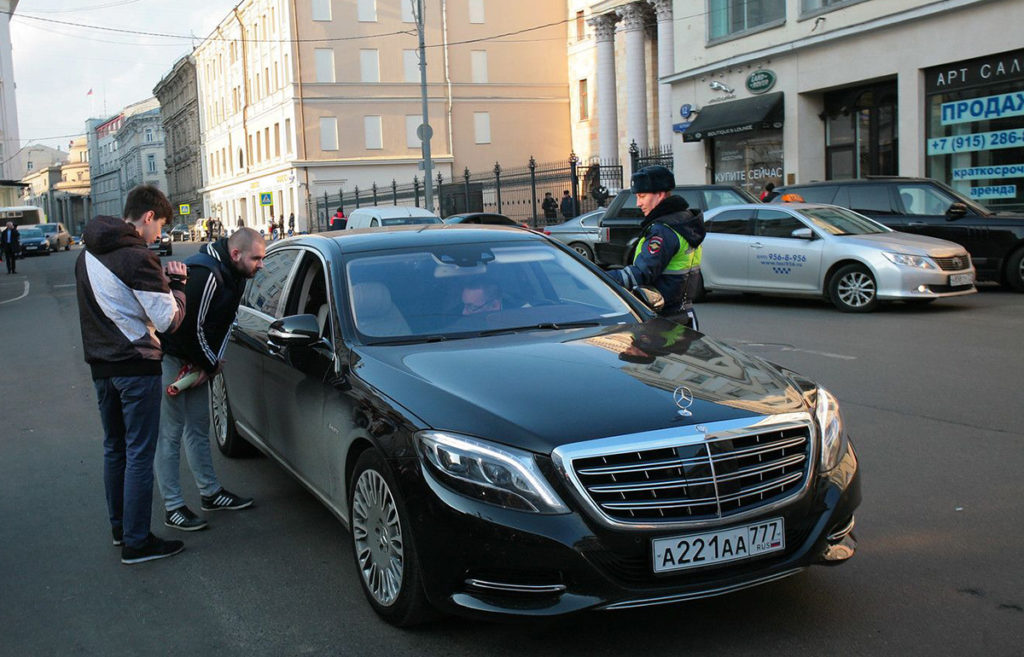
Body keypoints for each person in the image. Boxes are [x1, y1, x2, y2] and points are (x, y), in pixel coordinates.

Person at [75, 184, 189, 564]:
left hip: (101, 367)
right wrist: (178, 286)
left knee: (115, 448)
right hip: (136, 367)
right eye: (161, 226)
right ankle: (137, 542)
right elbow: (168, 320)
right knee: (140, 452)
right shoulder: (138, 257)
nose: (159, 235)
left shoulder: (86, 254)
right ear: (148, 217)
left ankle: (121, 529)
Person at [155, 227, 266, 531]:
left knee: (198, 427)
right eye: (256, 258)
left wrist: (210, 364)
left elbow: (227, 323)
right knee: (170, 434)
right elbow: (190, 328)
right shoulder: (206, 274)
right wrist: (211, 364)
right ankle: (173, 507)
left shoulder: (237, 274)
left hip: (197, 362)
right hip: (173, 359)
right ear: (236, 254)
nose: (261, 265)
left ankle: (210, 493)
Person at [605, 165, 705, 330]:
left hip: (663, 319)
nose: (638, 203)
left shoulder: (663, 230)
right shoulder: (685, 221)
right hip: (684, 313)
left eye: (642, 196)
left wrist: (599, 278)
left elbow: (641, 273)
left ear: (660, 194)